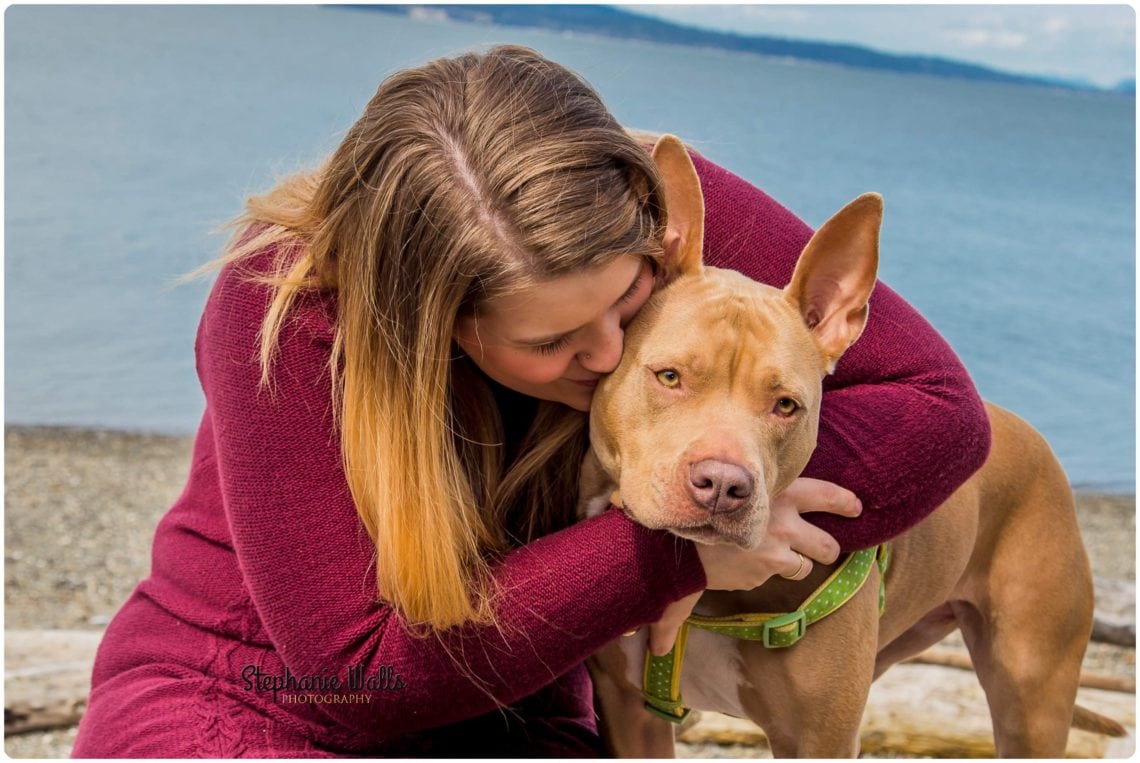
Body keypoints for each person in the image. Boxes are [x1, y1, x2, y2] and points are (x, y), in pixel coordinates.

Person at [71, 46, 990, 757]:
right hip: (246, 703)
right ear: (435, 325)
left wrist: (735, 475)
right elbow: (349, 673)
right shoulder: (283, 303)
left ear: (655, 240)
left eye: (626, 301)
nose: (608, 352)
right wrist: (673, 559)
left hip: (521, 708)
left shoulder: (653, 195)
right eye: (550, 341)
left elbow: (943, 409)